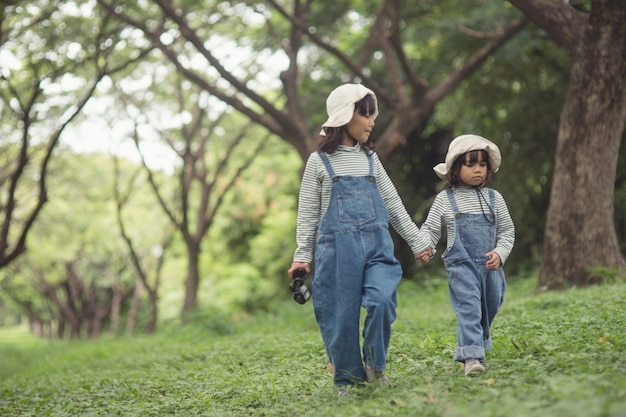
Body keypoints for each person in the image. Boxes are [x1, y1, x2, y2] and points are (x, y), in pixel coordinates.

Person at [288, 83, 432, 397]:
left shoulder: (370, 159)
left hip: (378, 248)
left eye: (372, 115)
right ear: (344, 117)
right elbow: (308, 213)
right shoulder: (318, 163)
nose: (371, 122)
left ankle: (374, 364)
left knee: (382, 301)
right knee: (340, 317)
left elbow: (393, 203)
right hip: (337, 252)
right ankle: (347, 380)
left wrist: (417, 240)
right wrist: (303, 255)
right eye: (364, 115)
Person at [419, 134, 515, 376]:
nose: (477, 170)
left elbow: (507, 231)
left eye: (482, 164)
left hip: (491, 268)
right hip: (461, 267)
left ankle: (474, 346)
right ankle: (472, 357)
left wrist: (500, 253)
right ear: (455, 167)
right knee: (469, 308)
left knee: (488, 308)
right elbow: (430, 228)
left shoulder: (495, 198)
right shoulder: (445, 199)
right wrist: (425, 246)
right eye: (470, 164)